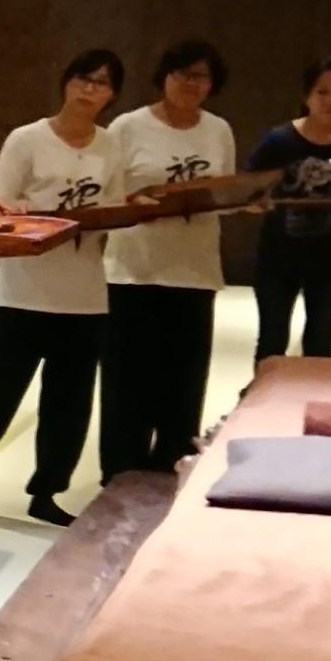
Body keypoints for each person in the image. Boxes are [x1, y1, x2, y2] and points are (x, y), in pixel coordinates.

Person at [0, 48, 124, 528]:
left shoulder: (111, 146)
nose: (90, 90)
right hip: (24, 291)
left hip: (85, 296)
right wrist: (36, 215)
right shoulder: (28, 139)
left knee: (70, 403)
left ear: (112, 95)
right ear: (67, 82)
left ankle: (47, 490)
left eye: (102, 83)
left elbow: (117, 210)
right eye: (83, 79)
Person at [99, 39, 237, 482]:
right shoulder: (128, 126)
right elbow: (106, 192)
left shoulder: (218, 129)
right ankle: (120, 476)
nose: (191, 83)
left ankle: (169, 475)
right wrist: (136, 201)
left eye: (201, 76)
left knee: (183, 385)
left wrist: (245, 200)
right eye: (182, 74)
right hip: (132, 271)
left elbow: (225, 193)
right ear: (164, 77)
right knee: (127, 382)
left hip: (194, 271)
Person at [248, 58, 331, 360]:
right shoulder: (279, 139)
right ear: (306, 96)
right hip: (278, 255)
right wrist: (256, 202)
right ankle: (267, 391)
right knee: (272, 338)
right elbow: (250, 187)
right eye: (322, 92)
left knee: (320, 340)